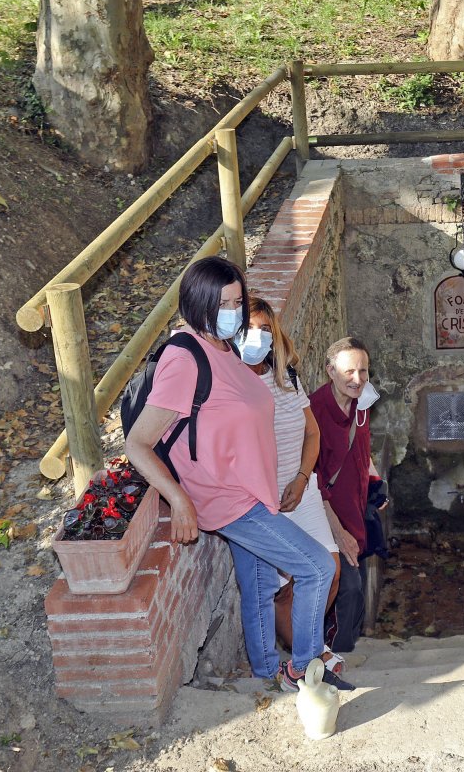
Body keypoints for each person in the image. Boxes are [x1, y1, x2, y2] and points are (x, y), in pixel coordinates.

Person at [124, 257, 353, 692]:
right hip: (227, 498)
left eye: (237, 300)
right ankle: (303, 666)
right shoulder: (185, 357)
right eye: (223, 302)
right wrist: (178, 499)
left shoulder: (223, 348)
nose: (233, 310)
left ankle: (267, 674)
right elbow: (138, 443)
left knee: (260, 584)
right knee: (318, 568)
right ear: (199, 303)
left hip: (254, 490)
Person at [237, 297, 344, 674]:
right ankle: (310, 657)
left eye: (266, 329)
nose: (258, 337)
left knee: (330, 570)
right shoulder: (229, 380)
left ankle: (311, 648)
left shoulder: (285, 375)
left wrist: (301, 479)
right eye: (250, 328)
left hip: (301, 488)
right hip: (265, 500)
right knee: (286, 587)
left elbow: (312, 433)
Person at [309, 336, 383, 654]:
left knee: (356, 594)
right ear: (330, 371)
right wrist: (337, 532)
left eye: (364, 371)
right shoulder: (314, 411)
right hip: (327, 518)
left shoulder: (362, 403)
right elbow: (313, 479)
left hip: (356, 510)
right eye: (350, 371)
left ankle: (347, 652)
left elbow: (361, 450)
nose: (358, 379)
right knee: (347, 590)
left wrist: (376, 485)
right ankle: (332, 658)